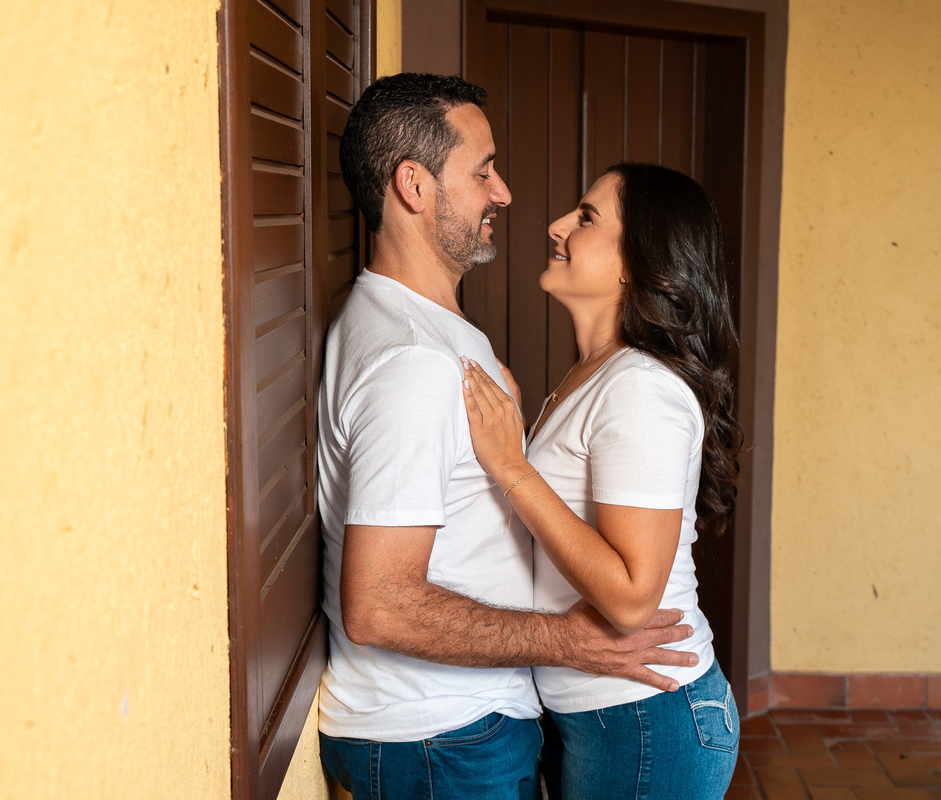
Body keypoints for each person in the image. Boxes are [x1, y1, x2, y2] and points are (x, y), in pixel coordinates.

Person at [316, 75, 698, 800]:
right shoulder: (413, 361)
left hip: (463, 732)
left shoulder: (428, 332)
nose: (505, 194)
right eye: (482, 171)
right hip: (442, 738)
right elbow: (380, 605)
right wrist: (565, 642)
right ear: (414, 186)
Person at [461, 162, 744, 800]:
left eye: (586, 218)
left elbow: (630, 597)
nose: (557, 226)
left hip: (648, 719)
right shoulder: (595, 375)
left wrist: (511, 465)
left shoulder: (640, 387)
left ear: (635, 264)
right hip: (605, 714)